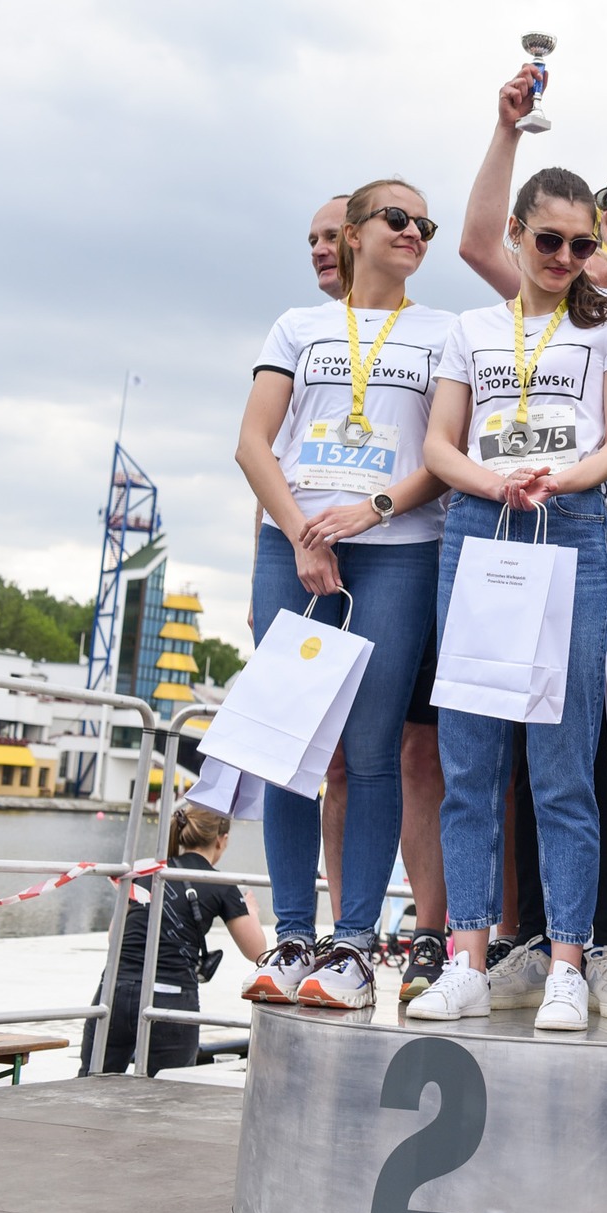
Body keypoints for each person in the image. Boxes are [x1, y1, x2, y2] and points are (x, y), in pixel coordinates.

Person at [406, 167, 607, 1031]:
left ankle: (566, 964)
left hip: (572, 523)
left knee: (562, 760)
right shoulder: (471, 328)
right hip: (480, 524)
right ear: (515, 233)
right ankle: (466, 960)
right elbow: (440, 445)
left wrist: (559, 479)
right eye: (548, 240)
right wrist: (494, 484)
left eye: (583, 245)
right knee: (471, 759)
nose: (564, 257)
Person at [234, 177, 453, 1010]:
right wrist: (300, 534)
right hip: (293, 547)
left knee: (371, 751)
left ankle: (354, 945)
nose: (414, 231)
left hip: (397, 551)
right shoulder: (299, 325)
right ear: (355, 233)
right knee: (288, 747)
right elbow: (253, 443)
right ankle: (292, 934)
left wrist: (376, 508)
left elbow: (444, 453)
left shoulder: (443, 332)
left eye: (424, 223)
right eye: (397, 218)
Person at [82, 806, 265, 1076]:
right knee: (170, 1088)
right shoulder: (221, 883)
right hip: (172, 996)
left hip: (114, 990)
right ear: (221, 840)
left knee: (92, 1079)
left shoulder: (147, 872)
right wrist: (251, 912)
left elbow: (114, 937)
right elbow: (257, 951)